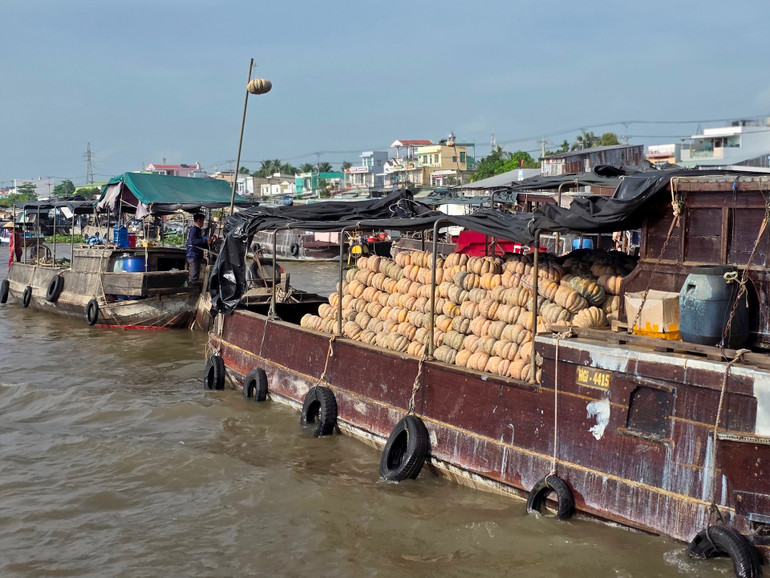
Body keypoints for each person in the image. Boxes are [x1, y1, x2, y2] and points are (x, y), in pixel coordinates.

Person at [186, 213, 216, 283]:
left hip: (196, 254)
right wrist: (205, 240)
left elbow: (200, 242)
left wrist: (209, 242)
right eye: (202, 221)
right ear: (199, 220)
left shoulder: (198, 230)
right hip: (193, 254)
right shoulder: (194, 230)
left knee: (196, 274)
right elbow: (193, 241)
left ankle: (192, 288)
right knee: (194, 275)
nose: (203, 223)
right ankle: (191, 290)